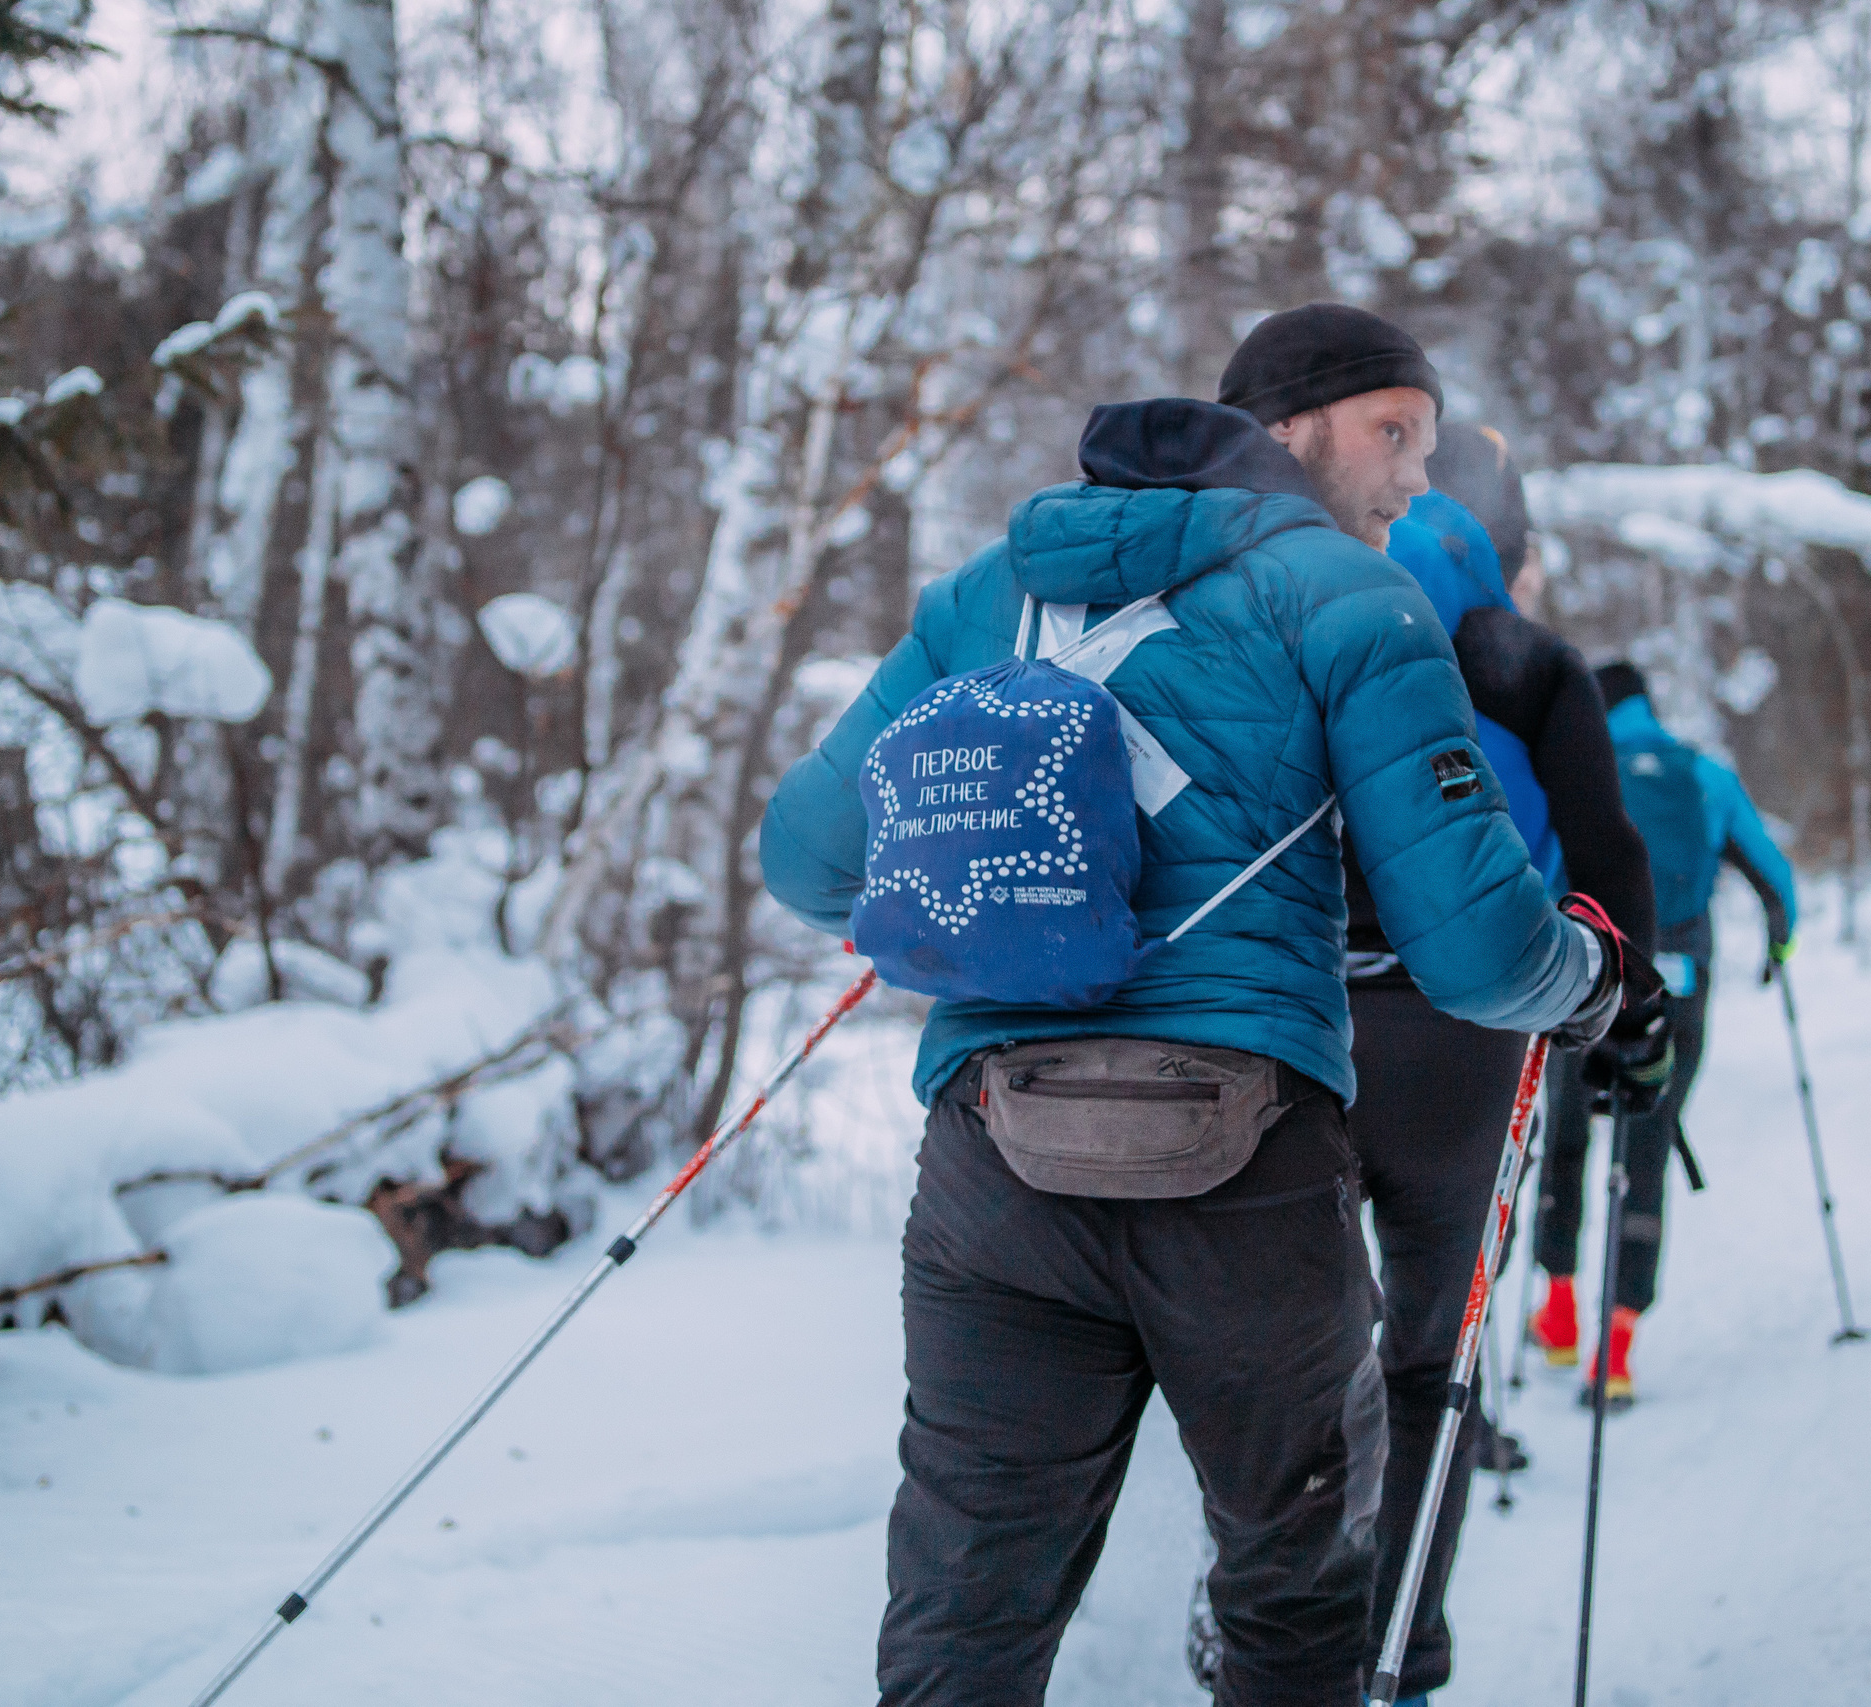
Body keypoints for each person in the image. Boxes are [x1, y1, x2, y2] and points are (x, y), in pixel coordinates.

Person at [758, 302, 1628, 1707]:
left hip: (992, 1168)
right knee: (1290, 1591)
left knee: (966, 1601)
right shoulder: (1350, 599)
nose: (1419, 475)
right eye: (1392, 433)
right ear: (1289, 432)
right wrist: (1583, 977)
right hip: (1242, 1171)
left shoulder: (990, 594)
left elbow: (804, 854)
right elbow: (1472, 945)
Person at [1343, 423, 1667, 1705]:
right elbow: (1608, 859)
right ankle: (1397, 1664)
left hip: (1287, 1021)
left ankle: (1252, 1626)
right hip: (1467, 1041)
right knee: (1432, 1363)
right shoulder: (1517, 655)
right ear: (1510, 548)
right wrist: (1628, 1023)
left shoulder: (1306, 610)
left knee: (1292, 1349)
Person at [1527, 663, 1796, 1407]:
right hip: (1679, 983)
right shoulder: (1702, 774)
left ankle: (1557, 1314)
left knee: (1570, 1141)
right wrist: (1780, 949)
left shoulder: (1575, 770)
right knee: (1646, 1143)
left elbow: (1532, 867)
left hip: (1586, 982)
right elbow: (1775, 879)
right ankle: (1615, 1350)